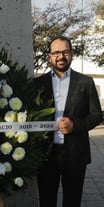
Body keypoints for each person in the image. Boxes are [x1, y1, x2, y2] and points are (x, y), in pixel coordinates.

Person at [32, 36, 103, 207]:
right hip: (46, 155)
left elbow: (96, 116)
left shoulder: (85, 82)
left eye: (65, 52)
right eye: (56, 52)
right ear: (49, 56)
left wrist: (74, 125)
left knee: (73, 201)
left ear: (71, 54)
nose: (61, 56)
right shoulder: (37, 84)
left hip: (75, 154)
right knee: (46, 201)